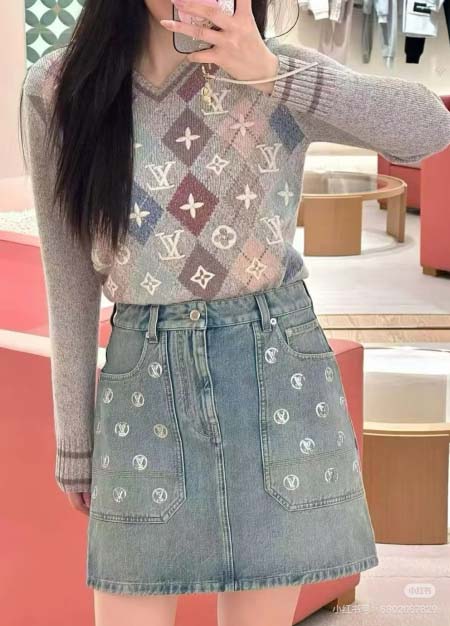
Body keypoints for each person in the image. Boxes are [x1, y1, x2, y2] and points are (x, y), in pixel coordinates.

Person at [19, 0, 450, 624]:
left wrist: (273, 72)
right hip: (144, 384)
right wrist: (75, 440)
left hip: (275, 370)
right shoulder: (60, 87)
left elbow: (429, 128)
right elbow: (68, 274)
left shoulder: (275, 70)